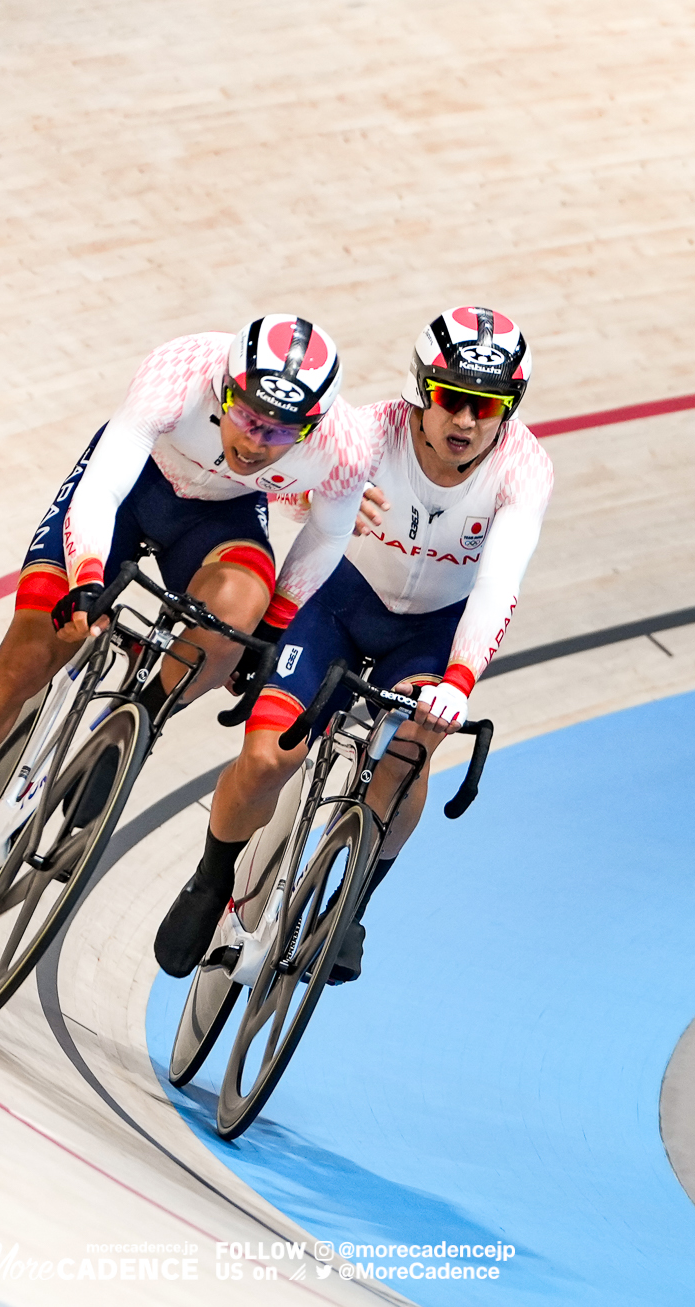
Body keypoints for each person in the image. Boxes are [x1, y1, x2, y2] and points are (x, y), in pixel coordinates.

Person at [0, 315, 376, 908]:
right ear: (228, 389)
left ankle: (134, 726)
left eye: (278, 434)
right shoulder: (182, 370)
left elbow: (326, 537)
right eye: (248, 419)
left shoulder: (342, 445)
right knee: (36, 647)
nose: (255, 442)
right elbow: (104, 486)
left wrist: (270, 634)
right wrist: (86, 581)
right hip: (133, 486)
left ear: (311, 426)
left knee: (237, 616)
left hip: (220, 517)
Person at [154, 305, 555, 981]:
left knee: (408, 752)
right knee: (267, 758)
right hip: (337, 608)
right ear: (422, 390)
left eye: (485, 408)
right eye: (452, 399)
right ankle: (210, 877)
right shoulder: (369, 431)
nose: (464, 421)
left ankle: (351, 907)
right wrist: (318, 503)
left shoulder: (524, 470)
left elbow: (498, 585)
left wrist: (459, 681)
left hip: (431, 634)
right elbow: (285, 483)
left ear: (507, 410)